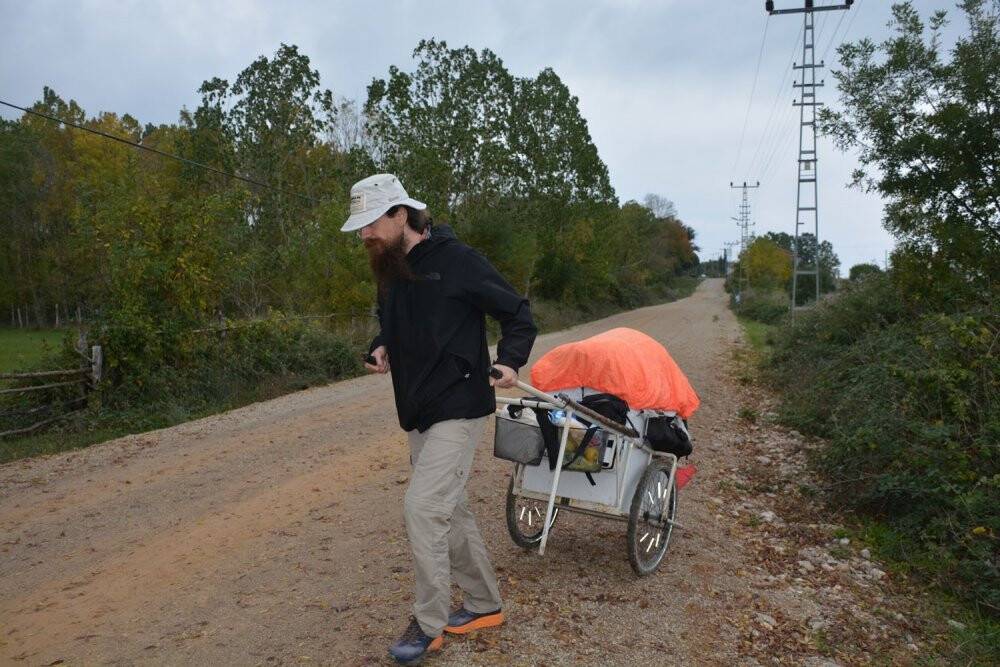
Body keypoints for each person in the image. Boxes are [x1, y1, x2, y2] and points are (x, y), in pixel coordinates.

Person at [341, 174, 537, 665]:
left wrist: (511, 360)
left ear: (400, 214)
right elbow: (389, 319)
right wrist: (380, 345)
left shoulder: (458, 261)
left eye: (371, 223)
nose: (364, 234)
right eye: (360, 226)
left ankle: (428, 624)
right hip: (417, 409)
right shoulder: (389, 268)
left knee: (423, 508)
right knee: (451, 511)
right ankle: (484, 604)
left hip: (459, 404)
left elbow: (518, 313)